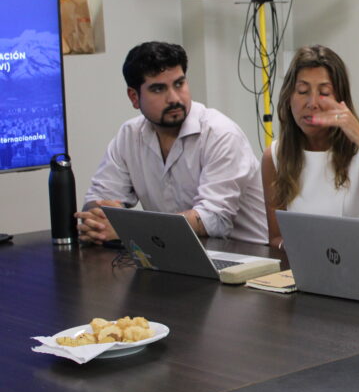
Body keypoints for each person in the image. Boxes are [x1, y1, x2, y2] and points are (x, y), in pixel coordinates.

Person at [76, 41, 267, 245]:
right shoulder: (129, 135)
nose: (174, 98)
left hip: (250, 254)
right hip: (176, 250)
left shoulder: (220, 134)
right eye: (158, 89)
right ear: (134, 97)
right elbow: (98, 199)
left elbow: (213, 220)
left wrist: (129, 227)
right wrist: (98, 218)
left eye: (179, 84)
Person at [262, 45, 359, 264]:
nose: (312, 103)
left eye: (324, 93)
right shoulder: (275, 156)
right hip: (314, 273)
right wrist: (299, 247)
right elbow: (276, 237)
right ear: (288, 97)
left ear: (341, 100)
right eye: (303, 91)